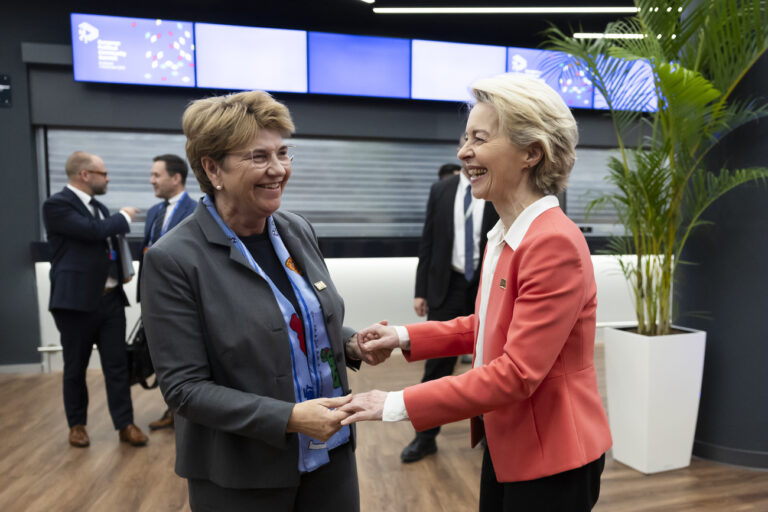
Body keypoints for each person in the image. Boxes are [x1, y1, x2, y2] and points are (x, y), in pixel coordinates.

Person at [342, 73, 612, 511]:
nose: (463, 152)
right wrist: (405, 338)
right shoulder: (505, 233)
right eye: (465, 138)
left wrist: (395, 402)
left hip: (554, 457)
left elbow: (517, 372)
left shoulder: (552, 242)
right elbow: (489, 325)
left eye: (479, 138)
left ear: (531, 153)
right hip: (508, 443)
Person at [141, 90, 387, 512]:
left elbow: (297, 316)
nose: (278, 170)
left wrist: (347, 343)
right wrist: (290, 418)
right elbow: (184, 389)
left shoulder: (296, 229)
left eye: (283, 152)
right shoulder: (174, 259)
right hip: (243, 475)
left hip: (330, 455)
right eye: (258, 157)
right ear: (212, 167)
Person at [42, 151, 149, 448]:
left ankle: (125, 425)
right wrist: (124, 217)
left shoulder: (99, 207)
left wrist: (121, 271)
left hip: (110, 300)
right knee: (75, 367)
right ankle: (77, 425)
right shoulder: (57, 205)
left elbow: (105, 244)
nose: (108, 178)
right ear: (84, 175)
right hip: (74, 302)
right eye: (103, 173)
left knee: (117, 366)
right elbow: (92, 232)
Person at [403, 162, 498, 463]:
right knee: (436, 368)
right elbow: (427, 242)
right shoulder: (440, 191)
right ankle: (425, 438)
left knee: (489, 364)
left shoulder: (497, 187)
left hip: (487, 284)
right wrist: (421, 290)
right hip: (448, 285)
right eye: (468, 140)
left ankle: (489, 436)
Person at [137, 153, 196, 431]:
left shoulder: (197, 211)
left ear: (176, 178)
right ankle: (172, 409)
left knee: (184, 355)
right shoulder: (153, 213)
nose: (151, 181)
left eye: (156, 175)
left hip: (182, 298)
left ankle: (185, 413)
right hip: (153, 297)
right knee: (160, 356)